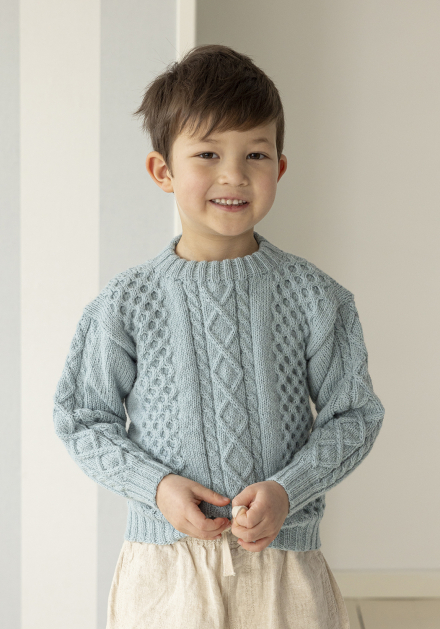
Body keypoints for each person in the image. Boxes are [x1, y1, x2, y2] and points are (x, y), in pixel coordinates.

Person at [52, 44, 385, 629]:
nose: (234, 174)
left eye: (256, 153)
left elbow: (354, 415)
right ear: (163, 171)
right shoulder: (126, 302)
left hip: (284, 565)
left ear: (280, 167)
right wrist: (157, 488)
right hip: (166, 569)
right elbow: (81, 418)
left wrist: (288, 490)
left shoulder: (316, 297)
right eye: (208, 153)